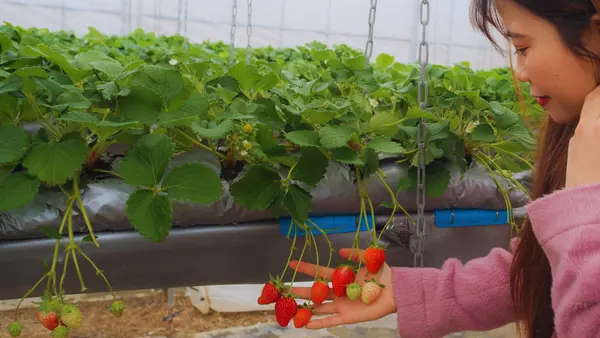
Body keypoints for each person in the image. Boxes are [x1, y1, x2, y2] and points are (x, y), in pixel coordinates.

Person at [287, 0, 600, 337]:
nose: (519, 72)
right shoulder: (577, 135)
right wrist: (414, 292)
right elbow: (540, 271)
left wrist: (583, 219)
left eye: (523, 47)